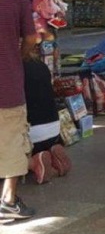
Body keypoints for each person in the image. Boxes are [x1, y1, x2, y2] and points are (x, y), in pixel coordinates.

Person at [0, 0, 39, 221]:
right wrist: (19, 56)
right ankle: (8, 200)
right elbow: (31, 38)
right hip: (7, 85)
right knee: (13, 142)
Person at [24, 46, 71, 184]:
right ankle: (50, 153)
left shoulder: (10, 69)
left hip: (30, 135)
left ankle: (33, 163)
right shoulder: (41, 65)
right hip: (54, 130)